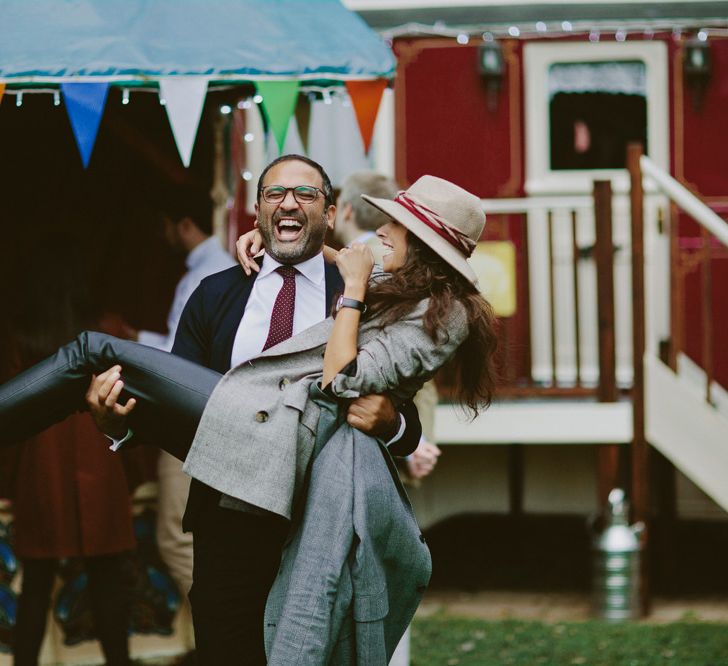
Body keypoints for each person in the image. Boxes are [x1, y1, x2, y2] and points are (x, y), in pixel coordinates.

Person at [0, 165, 498, 663]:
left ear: (328, 212)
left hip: (305, 510)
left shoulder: (367, 290)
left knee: (90, 347)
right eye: (273, 195)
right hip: (225, 515)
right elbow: (168, 409)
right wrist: (116, 424)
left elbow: (394, 406)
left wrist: (394, 423)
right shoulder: (219, 292)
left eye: (304, 193)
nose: (287, 204)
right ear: (256, 209)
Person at [5, 235, 135, 666]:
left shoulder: (21, 334)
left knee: (36, 585)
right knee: (108, 583)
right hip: (97, 453)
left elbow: (12, 409)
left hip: (40, 464)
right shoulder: (108, 328)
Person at [127, 192, 234, 659]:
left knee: (174, 535)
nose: (163, 236)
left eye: (166, 226)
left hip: (195, 419)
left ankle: (228, 630)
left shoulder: (206, 274)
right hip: (206, 417)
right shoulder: (215, 266)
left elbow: (183, 355)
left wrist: (130, 348)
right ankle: (211, 639)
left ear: (183, 223)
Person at [333, 170, 443, 484]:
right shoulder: (412, 263)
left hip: (357, 427)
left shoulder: (356, 265)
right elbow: (420, 365)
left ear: (347, 211)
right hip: (391, 430)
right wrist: (418, 443)